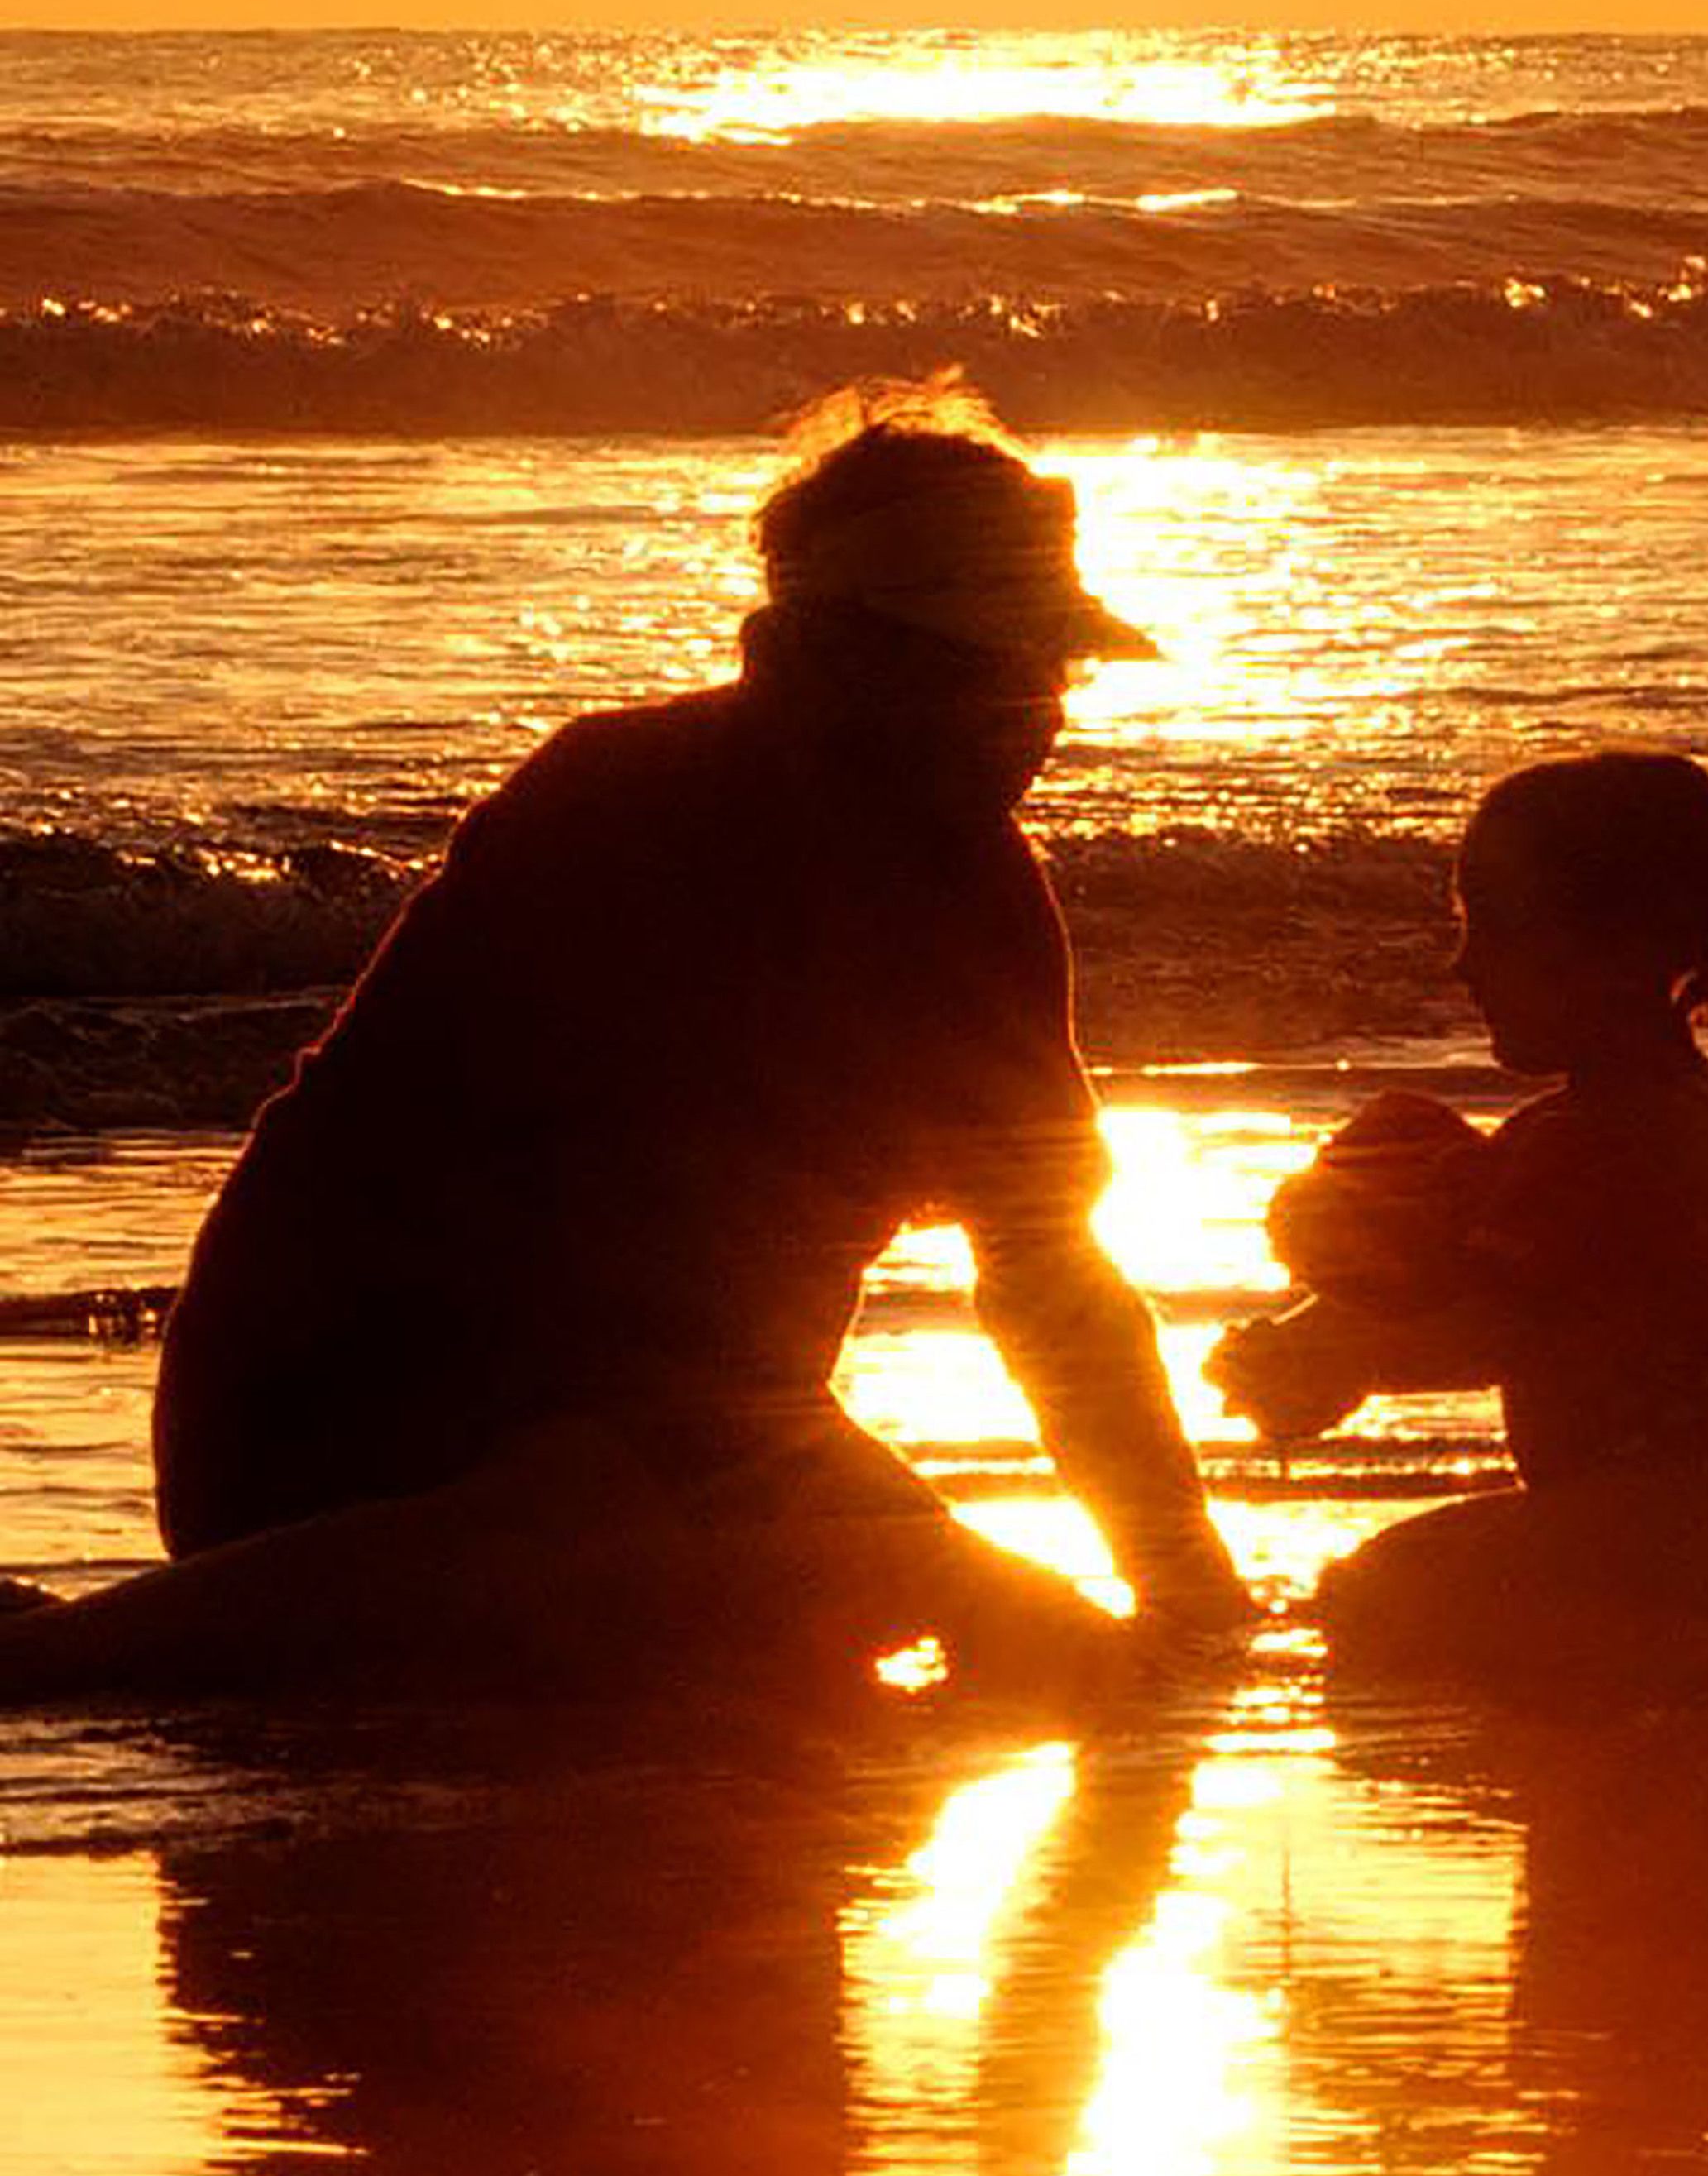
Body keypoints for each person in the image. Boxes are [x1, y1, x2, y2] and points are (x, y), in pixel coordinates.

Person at [0, 389, 1247, 1709]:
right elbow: (581, 1295)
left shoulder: (978, 895)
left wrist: (1176, 1581)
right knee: (713, 1549)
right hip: (355, 1425)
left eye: (1047, 673)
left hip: (696, 1449)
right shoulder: (618, 803)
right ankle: (59, 1659)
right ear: (823, 655)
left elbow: (1050, 1277)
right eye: (994, 676)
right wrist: (956, 1561)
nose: (1038, 717)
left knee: (891, 1650)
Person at [1208, 750, 1708, 1699]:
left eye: (1490, 931)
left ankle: (1674, 1671)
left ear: (1609, 948)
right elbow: (1482, 1282)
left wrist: (1351, 1363)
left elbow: (1496, 1331)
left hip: (1660, 1537)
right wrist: (1315, 1333)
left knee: (1373, 1598)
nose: (1460, 965)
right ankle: (1672, 1662)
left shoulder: (1618, 1138)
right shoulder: (1648, 1110)